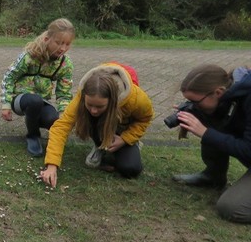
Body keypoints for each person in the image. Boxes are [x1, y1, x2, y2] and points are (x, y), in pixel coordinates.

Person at [40, 63, 153, 189]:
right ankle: (100, 145)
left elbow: (145, 119)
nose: (93, 110)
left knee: (130, 169)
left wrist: (126, 139)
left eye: (99, 106)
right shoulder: (83, 95)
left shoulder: (136, 98)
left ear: (113, 100)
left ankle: (129, 144)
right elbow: (61, 127)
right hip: (99, 124)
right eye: (90, 105)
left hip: (121, 129)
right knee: (90, 116)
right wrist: (52, 165)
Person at [171, 64, 251, 223]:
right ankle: (213, 177)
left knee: (232, 207)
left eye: (195, 101)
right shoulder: (230, 95)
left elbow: (248, 151)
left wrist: (205, 132)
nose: (192, 104)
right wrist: (197, 114)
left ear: (218, 92)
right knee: (211, 126)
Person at [1, 18, 75, 157]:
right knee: (34, 101)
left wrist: (63, 115)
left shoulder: (66, 64)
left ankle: (34, 121)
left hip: (42, 102)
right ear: (47, 39)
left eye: (67, 44)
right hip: (20, 99)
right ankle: (32, 136)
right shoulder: (29, 56)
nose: (63, 48)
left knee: (53, 120)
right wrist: (5, 104)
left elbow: (64, 93)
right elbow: (9, 77)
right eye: (58, 43)